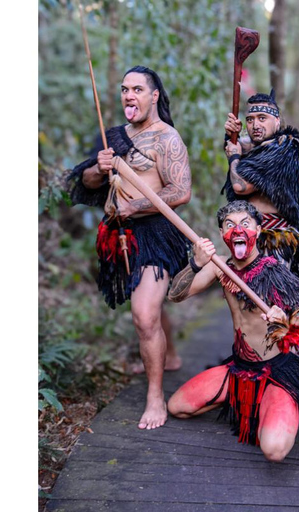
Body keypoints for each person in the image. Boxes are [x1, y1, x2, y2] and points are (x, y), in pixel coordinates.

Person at [65, 66, 192, 430]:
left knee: (144, 314)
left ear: (154, 96)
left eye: (137, 89)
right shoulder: (114, 136)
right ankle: (170, 355)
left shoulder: (167, 138)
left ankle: (155, 397)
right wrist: (99, 167)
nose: (128, 96)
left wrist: (136, 206)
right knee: (145, 305)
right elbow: (87, 180)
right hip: (118, 234)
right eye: (124, 89)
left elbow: (180, 191)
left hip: (155, 232)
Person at [166, 200, 299, 462]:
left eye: (245, 224)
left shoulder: (276, 274)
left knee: (273, 450)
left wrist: (287, 320)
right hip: (239, 368)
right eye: (229, 225)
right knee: (177, 407)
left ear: (259, 230)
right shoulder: (220, 267)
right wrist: (195, 263)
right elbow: (175, 295)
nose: (237, 230)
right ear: (221, 234)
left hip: (277, 371)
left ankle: (279, 402)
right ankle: (243, 400)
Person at [222, 90, 299, 279]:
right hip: (248, 238)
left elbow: (241, 186)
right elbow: (247, 145)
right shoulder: (260, 147)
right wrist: (231, 136)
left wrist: (234, 157)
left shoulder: (286, 147)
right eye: (250, 119)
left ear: (277, 121)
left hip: (274, 241)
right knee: (247, 304)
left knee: (273, 302)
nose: (255, 125)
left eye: (262, 118)